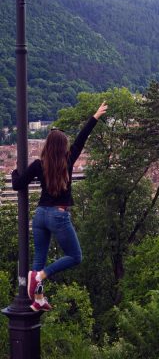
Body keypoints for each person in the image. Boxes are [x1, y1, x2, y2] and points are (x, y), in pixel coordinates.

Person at [11, 102, 108, 312]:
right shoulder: (68, 160)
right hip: (58, 216)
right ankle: (40, 277)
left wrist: (15, 171)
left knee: (39, 258)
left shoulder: (38, 164)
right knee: (75, 256)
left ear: (48, 146)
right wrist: (95, 116)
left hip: (40, 216)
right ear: (64, 147)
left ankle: (38, 298)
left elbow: (18, 184)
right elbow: (83, 137)